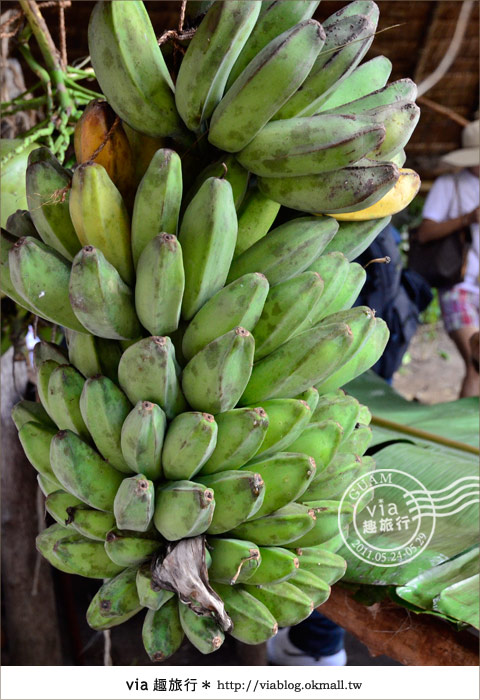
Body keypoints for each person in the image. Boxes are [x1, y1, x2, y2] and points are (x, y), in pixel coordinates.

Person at [417, 119, 479, 397]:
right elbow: (424, 233)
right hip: (458, 286)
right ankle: (463, 437)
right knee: (476, 364)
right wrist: (468, 218)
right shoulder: (448, 184)